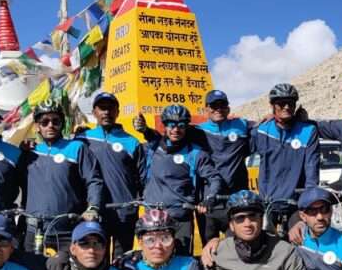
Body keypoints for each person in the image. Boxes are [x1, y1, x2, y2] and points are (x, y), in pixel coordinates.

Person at [20, 100, 103, 252]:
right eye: (44, 122)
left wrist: (93, 207)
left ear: (62, 124)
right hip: (34, 230)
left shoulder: (77, 148)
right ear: (37, 126)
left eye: (55, 121)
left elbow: (94, 180)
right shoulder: (29, 153)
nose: (50, 125)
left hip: (67, 230)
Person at [141, 103, 222, 255]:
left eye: (181, 125)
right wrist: (144, 129)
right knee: (153, 261)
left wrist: (209, 198)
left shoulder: (196, 153)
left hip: (180, 219)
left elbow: (214, 178)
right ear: (164, 125)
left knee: (182, 262)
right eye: (171, 124)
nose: (176, 130)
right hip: (152, 218)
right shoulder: (151, 148)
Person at [74, 92, 146, 258]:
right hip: (92, 213)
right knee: (96, 259)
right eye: (102, 108)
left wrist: (136, 202)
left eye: (110, 108)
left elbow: (143, 177)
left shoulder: (132, 142)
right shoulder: (82, 139)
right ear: (94, 112)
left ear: (117, 112)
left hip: (124, 213)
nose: (106, 112)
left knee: (123, 261)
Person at [252, 84, 320, 205]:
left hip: (296, 201)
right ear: (273, 106)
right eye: (282, 103)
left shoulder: (308, 131)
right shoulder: (262, 130)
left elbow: (312, 166)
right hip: (267, 201)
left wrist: (310, 195)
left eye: (291, 103)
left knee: (300, 225)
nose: (287, 107)